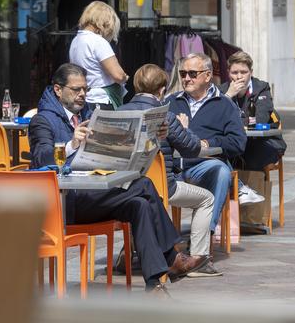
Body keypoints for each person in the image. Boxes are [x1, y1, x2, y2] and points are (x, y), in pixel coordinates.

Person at [29, 63, 209, 297]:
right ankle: (172, 257)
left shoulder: (92, 114)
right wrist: (72, 143)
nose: (82, 94)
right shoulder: (42, 120)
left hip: (93, 194)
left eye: (85, 89)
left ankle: (154, 285)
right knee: (144, 185)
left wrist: (152, 135)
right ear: (57, 90)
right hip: (63, 204)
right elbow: (41, 156)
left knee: (140, 205)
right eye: (76, 90)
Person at [119, 64, 220, 277]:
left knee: (136, 204)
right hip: (164, 187)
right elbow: (192, 149)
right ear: (162, 90)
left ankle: (127, 254)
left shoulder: (119, 113)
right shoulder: (166, 116)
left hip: (125, 187)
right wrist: (184, 128)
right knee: (207, 199)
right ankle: (199, 259)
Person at [165, 53, 247, 236]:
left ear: (208, 76)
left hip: (203, 167)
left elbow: (238, 142)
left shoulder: (224, 105)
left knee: (221, 170)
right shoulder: (170, 102)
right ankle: (151, 244)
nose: (186, 78)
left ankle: (204, 235)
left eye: (192, 74)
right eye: (183, 73)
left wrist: (208, 142)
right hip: (173, 171)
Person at [219, 51, 287, 172]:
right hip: (234, 142)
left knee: (250, 157)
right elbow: (215, 118)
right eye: (235, 72)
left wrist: (231, 124)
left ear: (251, 72)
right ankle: (234, 188)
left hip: (264, 142)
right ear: (228, 73)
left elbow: (259, 119)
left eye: (244, 72)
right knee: (217, 158)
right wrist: (228, 96)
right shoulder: (222, 91)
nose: (239, 77)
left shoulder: (261, 88)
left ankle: (250, 188)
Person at [69, 1, 128, 110]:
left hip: (86, 99)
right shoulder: (97, 41)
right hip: (102, 101)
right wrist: (125, 77)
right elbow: (119, 75)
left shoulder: (75, 41)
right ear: (105, 22)